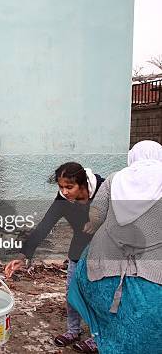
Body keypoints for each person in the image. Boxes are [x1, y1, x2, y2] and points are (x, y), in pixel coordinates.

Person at [68, 140, 162, 354]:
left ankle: (105, 342)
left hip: (104, 273)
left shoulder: (116, 179)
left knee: (111, 318)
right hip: (153, 278)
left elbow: (97, 215)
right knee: (147, 328)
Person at [5, 162, 104, 352]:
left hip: (103, 250)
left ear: (82, 184)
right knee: (71, 292)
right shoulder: (63, 199)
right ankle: (73, 330)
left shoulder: (103, 191)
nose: (64, 192)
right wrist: (23, 255)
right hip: (79, 247)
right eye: (61, 186)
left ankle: (98, 338)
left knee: (97, 294)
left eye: (69, 187)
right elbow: (45, 225)